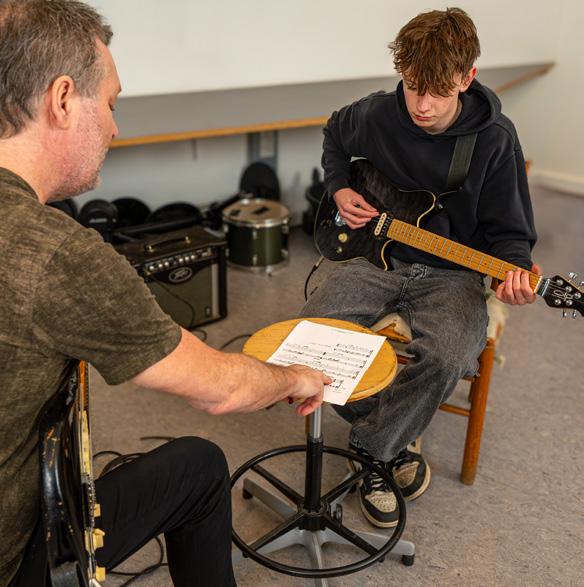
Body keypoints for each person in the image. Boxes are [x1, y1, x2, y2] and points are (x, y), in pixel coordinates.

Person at [0, 2, 329, 586]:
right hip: (12, 553)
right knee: (200, 467)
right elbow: (221, 388)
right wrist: (296, 378)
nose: (114, 128)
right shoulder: (57, 255)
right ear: (62, 99)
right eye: (110, 104)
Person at [301, 7, 540, 529]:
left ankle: (374, 450)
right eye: (412, 87)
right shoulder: (376, 114)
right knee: (309, 335)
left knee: (450, 354)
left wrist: (515, 273)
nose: (422, 106)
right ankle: (395, 431)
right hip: (373, 258)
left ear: (467, 78)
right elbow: (335, 134)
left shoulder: (496, 140)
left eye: (437, 92)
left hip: (453, 274)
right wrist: (338, 188)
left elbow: (510, 233)